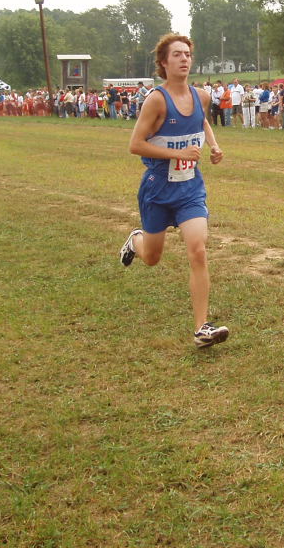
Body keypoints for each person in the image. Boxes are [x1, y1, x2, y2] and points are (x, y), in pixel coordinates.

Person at [119, 34, 228, 348]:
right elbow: (135, 145)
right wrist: (177, 153)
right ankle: (135, 240)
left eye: (187, 54)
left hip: (190, 188)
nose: (184, 59)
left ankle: (202, 329)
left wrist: (214, 145)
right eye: (177, 54)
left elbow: (202, 122)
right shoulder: (156, 100)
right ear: (163, 63)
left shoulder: (201, 96)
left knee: (198, 250)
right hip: (158, 188)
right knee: (152, 258)